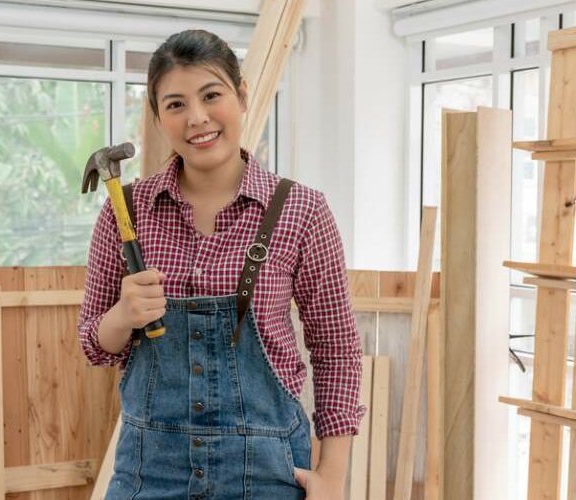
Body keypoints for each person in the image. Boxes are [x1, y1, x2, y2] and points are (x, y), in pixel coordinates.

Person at [77, 29, 364, 499]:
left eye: (212, 95)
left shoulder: (301, 210)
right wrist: (123, 316)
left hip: (267, 472)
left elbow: (336, 351)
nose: (197, 118)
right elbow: (95, 345)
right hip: (150, 473)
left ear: (242, 95)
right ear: (157, 118)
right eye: (175, 105)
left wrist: (332, 475)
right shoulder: (125, 212)